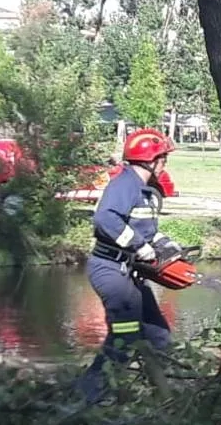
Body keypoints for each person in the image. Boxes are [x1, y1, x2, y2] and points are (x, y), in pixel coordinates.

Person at [75, 128, 182, 403]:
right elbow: (105, 220)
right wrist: (138, 245)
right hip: (111, 271)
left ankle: (167, 396)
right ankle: (89, 398)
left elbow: (143, 230)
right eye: (163, 158)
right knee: (124, 337)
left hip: (129, 273)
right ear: (150, 160)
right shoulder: (125, 185)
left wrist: (164, 244)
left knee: (158, 333)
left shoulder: (144, 190)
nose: (165, 163)